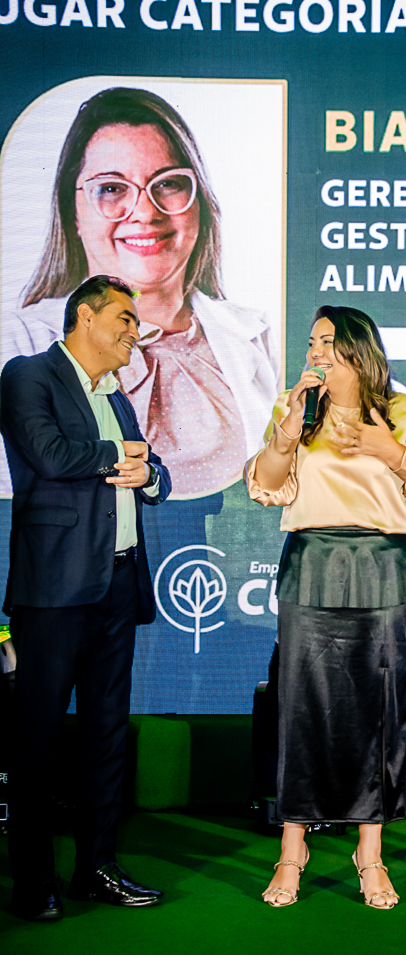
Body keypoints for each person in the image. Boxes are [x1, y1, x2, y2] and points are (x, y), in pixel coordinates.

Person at [245, 305, 406, 909]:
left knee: (380, 714)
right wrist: (287, 434)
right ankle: (293, 848)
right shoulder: (296, 408)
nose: (313, 352)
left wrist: (391, 452)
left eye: (325, 342)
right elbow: (265, 487)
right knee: (300, 711)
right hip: (310, 564)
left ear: (357, 349)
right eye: (311, 342)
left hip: (381, 568)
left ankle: (370, 854)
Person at [6, 85, 279, 499]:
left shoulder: (263, 338)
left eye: (168, 184)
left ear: (200, 202)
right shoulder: (18, 342)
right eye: (112, 188)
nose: (146, 213)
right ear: (72, 210)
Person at [1, 275, 172, 921]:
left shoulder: (117, 397)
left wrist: (149, 472)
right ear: (86, 318)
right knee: (37, 741)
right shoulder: (28, 374)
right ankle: (33, 882)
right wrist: (118, 455)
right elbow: (46, 452)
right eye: (125, 318)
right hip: (54, 594)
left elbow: (151, 467)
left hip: (117, 587)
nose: (135, 331)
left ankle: (98, 868)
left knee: (106, 737)